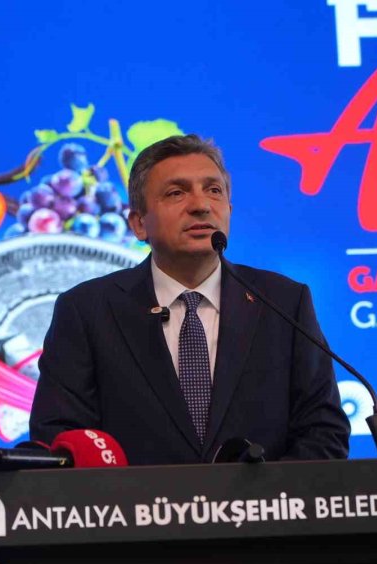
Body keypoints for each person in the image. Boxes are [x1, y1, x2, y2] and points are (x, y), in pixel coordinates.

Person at [29, 134, 350, 465]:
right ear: (138, 224)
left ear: (229, 210)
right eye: (176, 193)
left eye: (214, 190)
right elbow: (60, 440)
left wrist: (263, 494)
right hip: (134, 499)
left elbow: (324, 433)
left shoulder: (283, 303)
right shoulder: (86, 311)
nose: (201, 205)